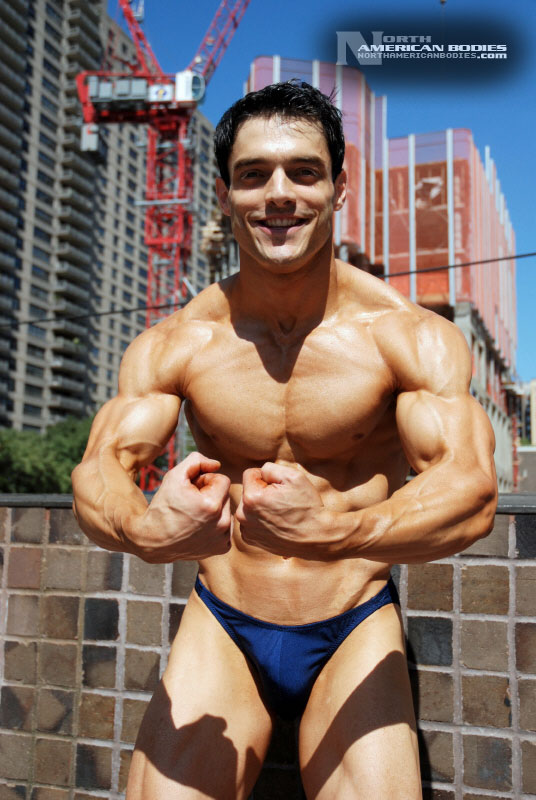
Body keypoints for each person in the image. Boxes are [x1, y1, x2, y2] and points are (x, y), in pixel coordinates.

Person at [72, 81, 497, 799]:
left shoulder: (407, 334)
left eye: (304, 172)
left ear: (339, 189)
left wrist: (337, 531)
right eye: (253, 174)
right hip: (224, 620)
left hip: (352, 620)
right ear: (224, 195)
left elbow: (472, 490)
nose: (279, 195)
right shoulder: (179, 341)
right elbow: (98, 468)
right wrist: (145, 529)